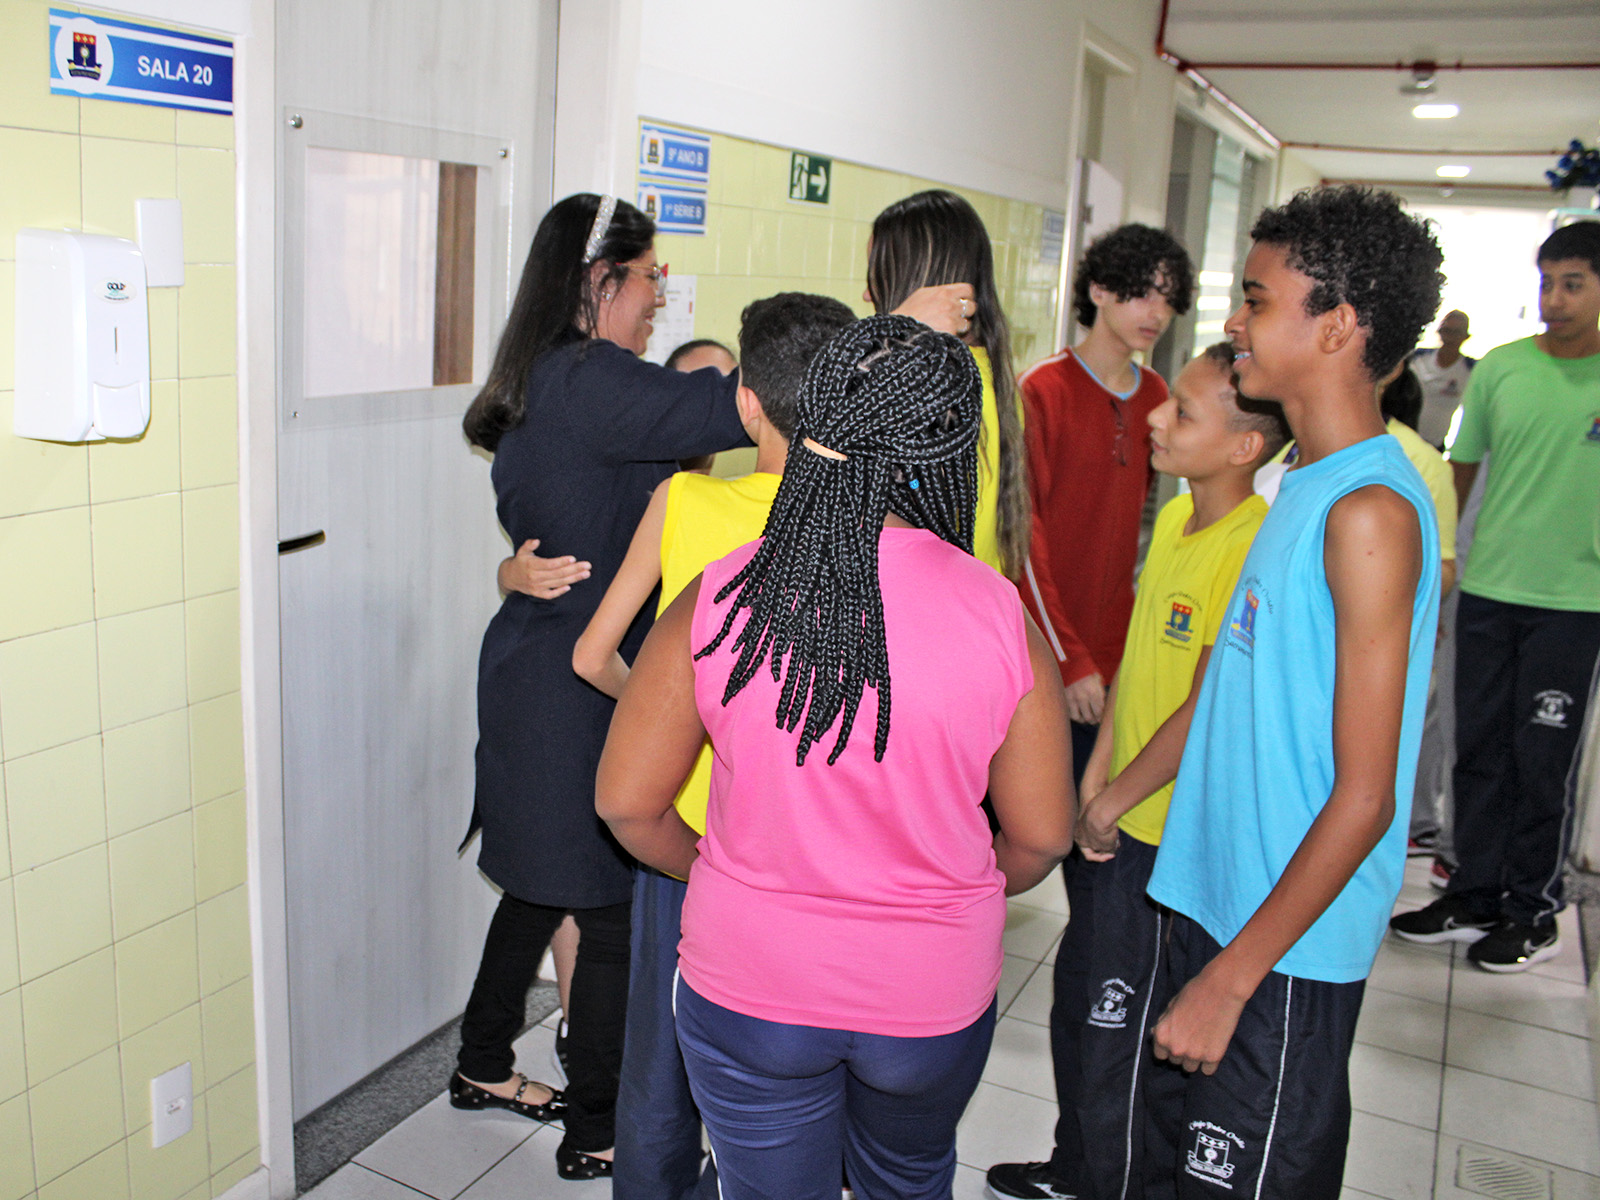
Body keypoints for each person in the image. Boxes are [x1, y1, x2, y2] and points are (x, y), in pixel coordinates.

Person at [595, 315, 1075, 1200]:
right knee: (908, 1179)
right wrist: (958, 885)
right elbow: (1043, 836)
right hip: (928, 993)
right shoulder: (999, 614)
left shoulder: (724, 592)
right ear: (951, 449)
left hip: (751, 980)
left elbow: (626, 803)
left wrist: (719, 871)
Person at [1142, 185, 1442, 1196]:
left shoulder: (1368, 512)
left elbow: (1366, 797)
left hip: (1280, 951)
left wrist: (1233, 979)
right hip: (1220, 900)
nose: (1234, 321)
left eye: (1257, 299)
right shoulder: (1301, 486)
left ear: (1337, 327)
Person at [452, 192, 752, 1180]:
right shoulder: (592, 377)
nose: (659, 295)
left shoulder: (547, 375)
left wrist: (507, 571)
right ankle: (595, 1131)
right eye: (651, 276)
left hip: (534, 673)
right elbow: (738, 404)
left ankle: (482, 1062)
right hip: (572, 692)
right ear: (600, 281)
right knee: (611, 909)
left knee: (537, 886)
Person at [985, 344, 1287, 1200]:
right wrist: (1095, 780)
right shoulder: (1181, 520)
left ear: (1245, 447)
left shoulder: (1247, 546)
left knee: (1123, 1026)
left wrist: (1114, 799)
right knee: (1085, 1003)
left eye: (1182, 412)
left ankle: (1107, 1181)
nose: (1156, 416)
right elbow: (1134, 667)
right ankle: (1078, 1163)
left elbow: (1204, 707)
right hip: (1121, 812)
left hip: (1164, 832)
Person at [572, 292, 856, 1200]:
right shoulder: (871, 519)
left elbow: (593, 655)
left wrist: (675, 723)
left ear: (745, 402)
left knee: (661, 1070)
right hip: (819, 846)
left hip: (689, 841)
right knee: (801, 1075)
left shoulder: (686, 500)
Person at [1389, 220, 1600, 973]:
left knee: (1542, 761)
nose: (1555, 299)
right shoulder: (1503, 369)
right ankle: (1473, 893)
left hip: (1575, 604)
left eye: (1573, 284)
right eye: (1547, 283)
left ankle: (1532, 909)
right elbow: (1461, 478)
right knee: (1475, 751)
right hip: (1486, 592)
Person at [1019, 223, 1195, 772]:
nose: (1157, 313)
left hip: (1119, 653)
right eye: (1142, 293)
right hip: (1044, 650)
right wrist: (1068, 659)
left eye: (1168, 299)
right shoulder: (1041, 389)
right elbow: (1022, 540)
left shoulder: (1158, 396)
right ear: (1099, 291)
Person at [866, 189, 1028, 579]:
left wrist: (896, 329)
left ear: (918, 280)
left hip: (925, 602)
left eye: (878, 275)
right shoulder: (989, 373)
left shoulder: (923, 386)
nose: (867, 293)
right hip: (969, 598)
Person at [1409, 309, 1474, 448]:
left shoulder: (1470, 370)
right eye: (1447, 331)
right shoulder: (1416, 358)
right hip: (1404, 437)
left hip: (1435, 444)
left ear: (1466, 336)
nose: (1450, 338)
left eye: (1456, 332)